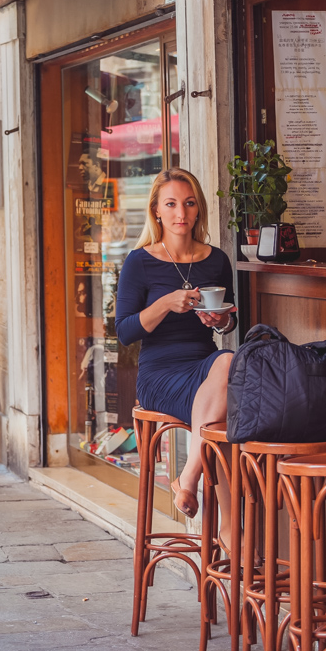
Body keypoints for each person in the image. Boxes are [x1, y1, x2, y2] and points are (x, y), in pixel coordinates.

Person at [115, 167, 237, 524]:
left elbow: (229, 322)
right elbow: (124, 331)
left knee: (229, 361)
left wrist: (221, 321)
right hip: (160, 373)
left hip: (205, 366)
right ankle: (224, 523)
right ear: (156, 210)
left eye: (189, 203)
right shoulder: (139, 262)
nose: (180, 214)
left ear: (198, 209)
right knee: (225, 417)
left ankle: (191, 480)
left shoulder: (217, 260)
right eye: (171, 204)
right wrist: (166, 303)